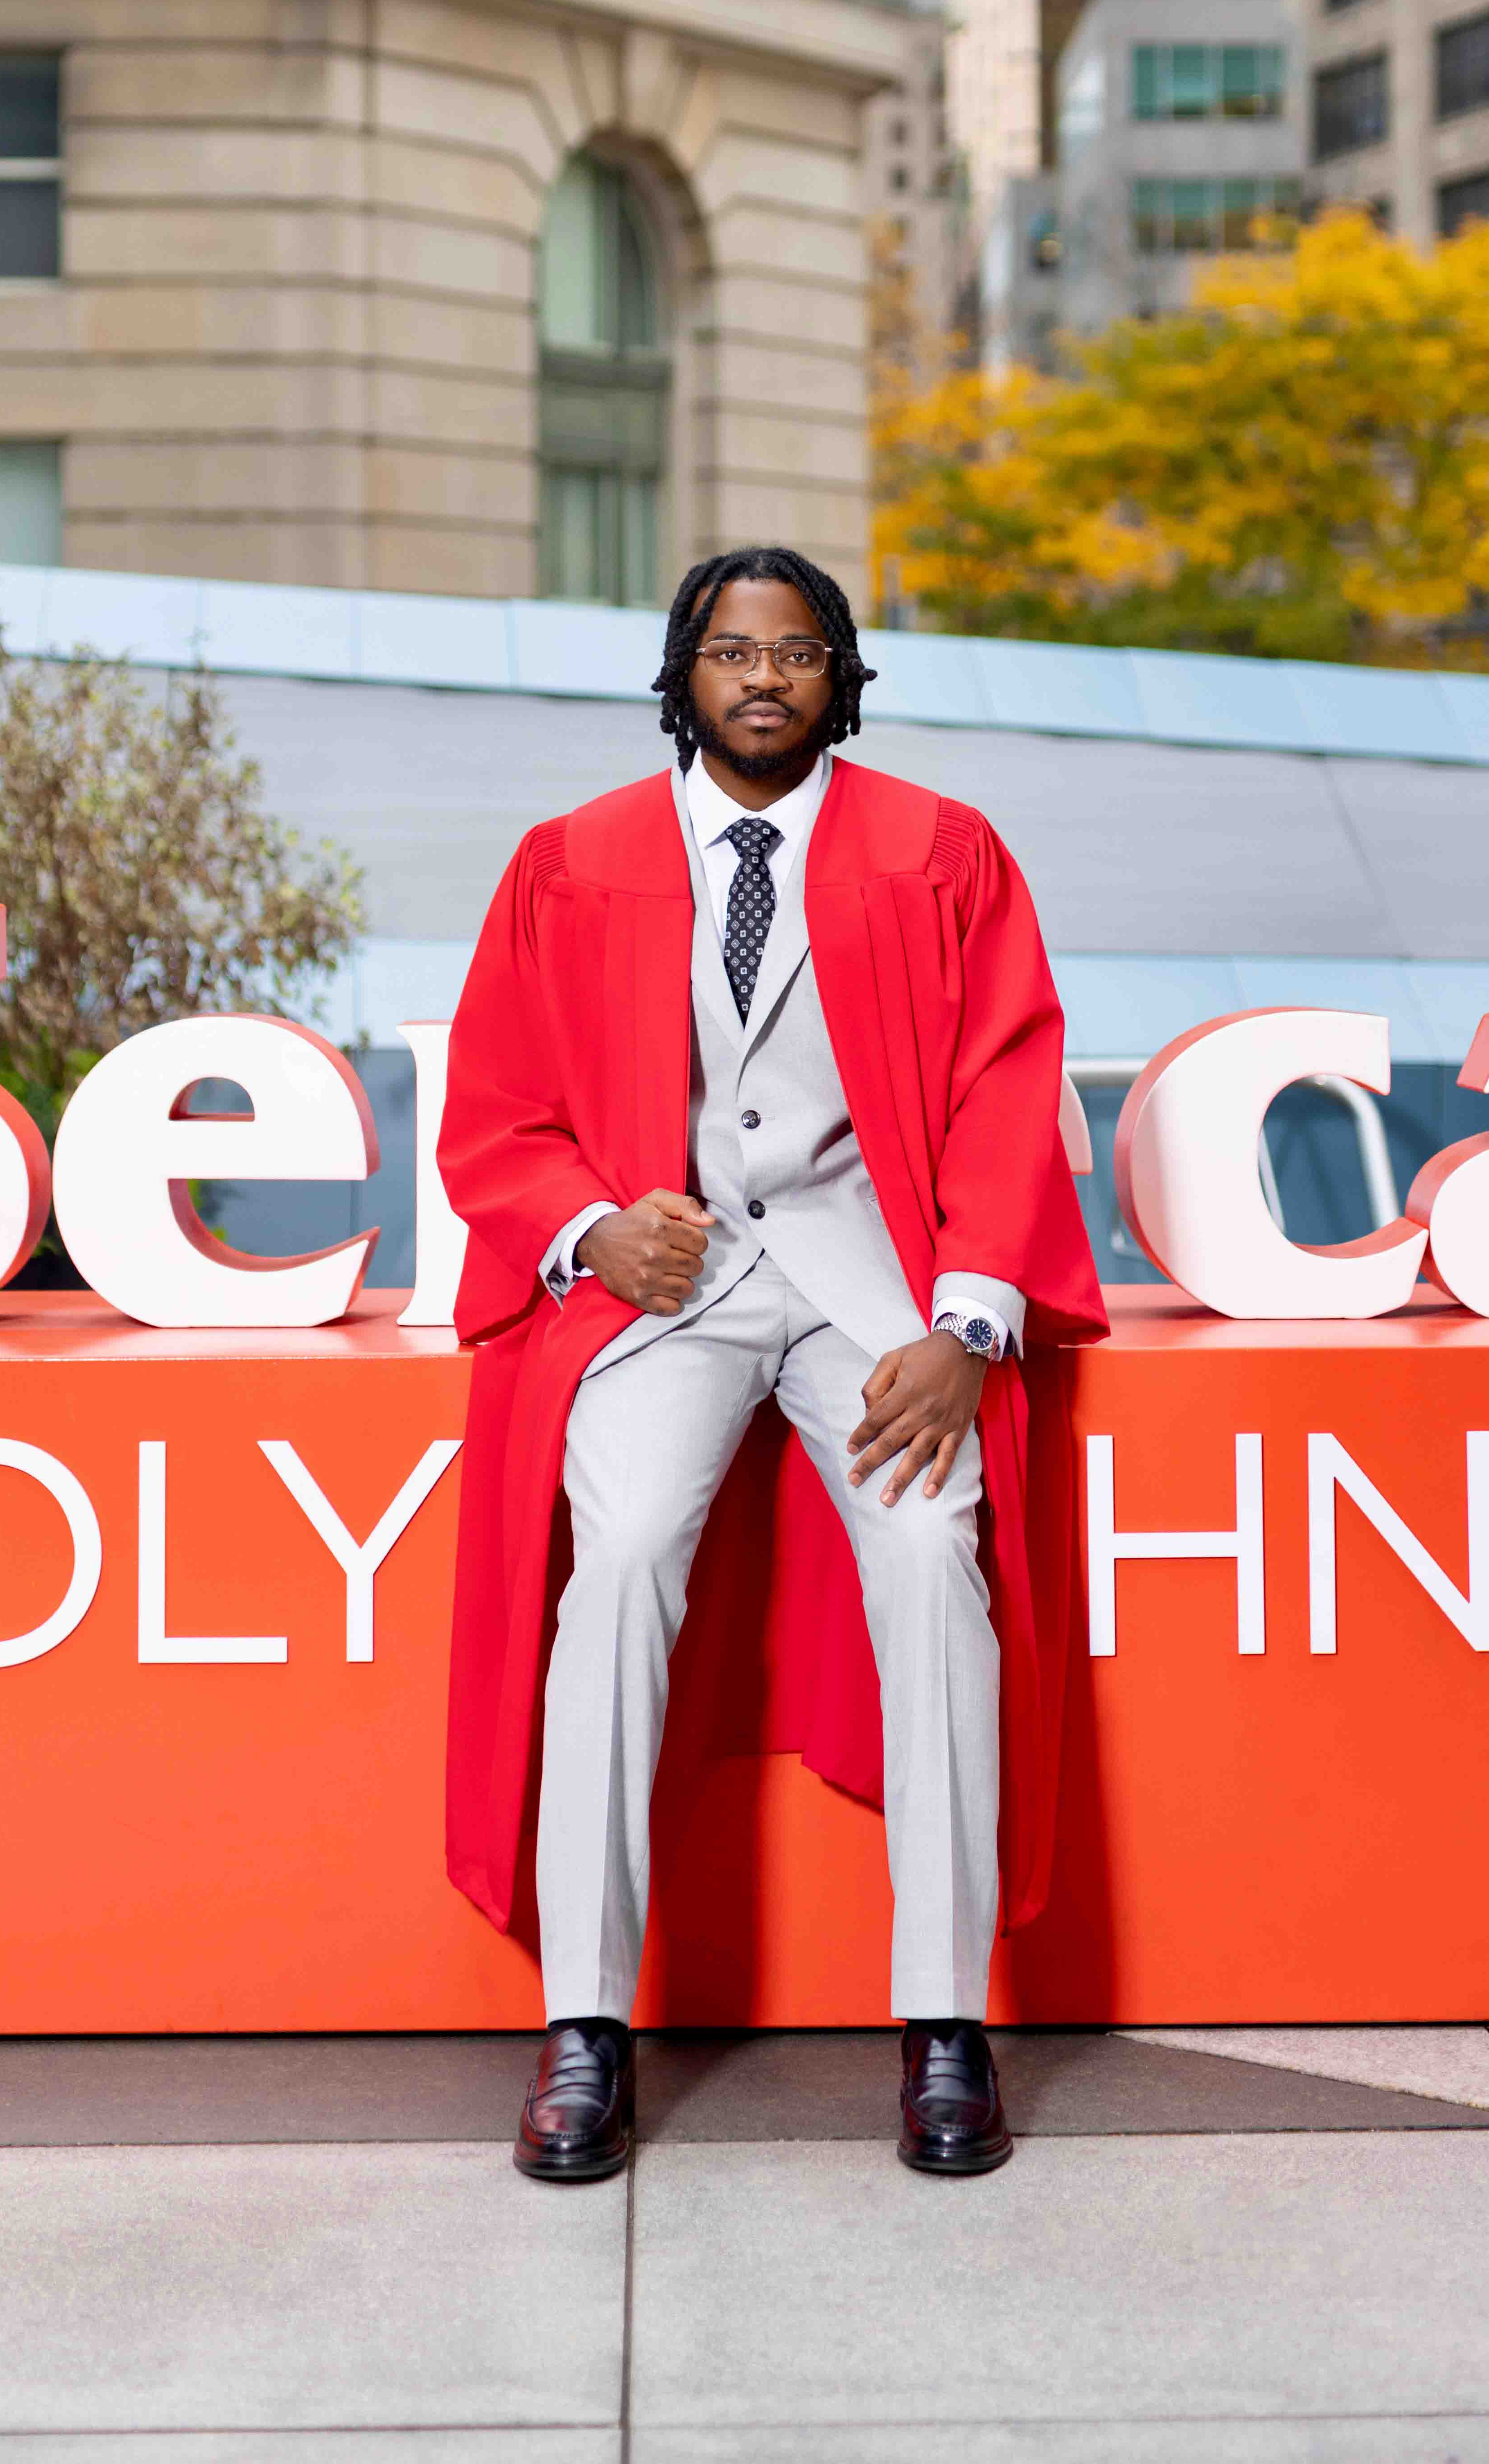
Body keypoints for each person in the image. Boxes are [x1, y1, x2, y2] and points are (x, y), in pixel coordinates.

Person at [439, 543, 1107, 2182]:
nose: (762, 678)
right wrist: (594, 1235)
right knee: (622, 1565)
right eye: (733, 651)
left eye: (797, 653)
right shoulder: (572, 862)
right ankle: (586, 2026)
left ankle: (944, 2021)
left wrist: (964, 1325)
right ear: (683, 672)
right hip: (668, 1283)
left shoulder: (940, 855)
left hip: (871, 1278)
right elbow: (499, 1107)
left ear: (841, 680)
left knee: (933, 1553)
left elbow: (1009, 1092)